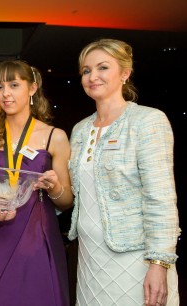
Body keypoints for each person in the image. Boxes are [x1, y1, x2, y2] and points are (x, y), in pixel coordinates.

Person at [68, 38, 180, 306]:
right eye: (86, 71)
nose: (92, 76)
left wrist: (159, 262)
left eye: (102, 67)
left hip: (136, 258)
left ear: (125, 73)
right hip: (89, 257)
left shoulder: (148, 120)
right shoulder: (80, 130)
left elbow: (161, 197)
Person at [0, 60, 73, 306]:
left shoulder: (54, 137)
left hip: (38, 235)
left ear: (33, 88)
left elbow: (66, 201)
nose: (5, 93)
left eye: (14, 85)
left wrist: (54, 187)